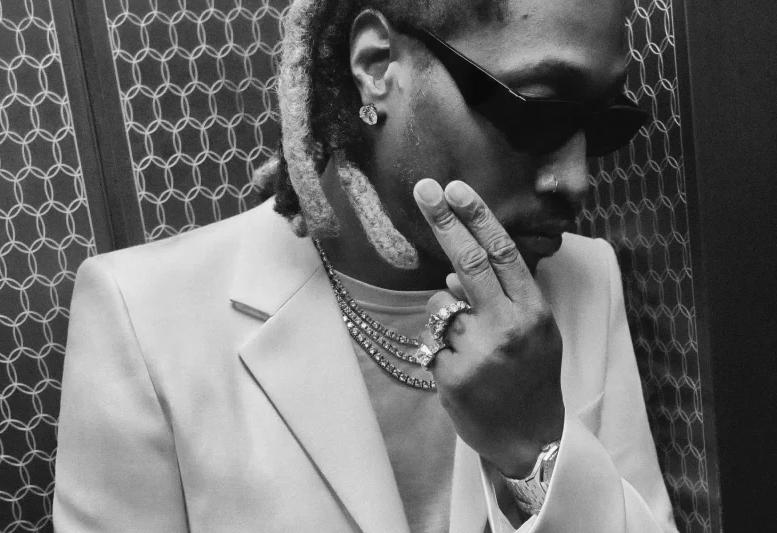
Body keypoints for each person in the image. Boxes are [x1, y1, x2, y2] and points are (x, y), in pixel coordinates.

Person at [53, 0, 679, 531]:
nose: (575, 180)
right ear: (378, 66)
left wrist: (536, 450)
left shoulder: (585, 279)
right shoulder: (142, 316)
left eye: (606, 126)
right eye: (539, 113)